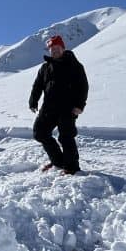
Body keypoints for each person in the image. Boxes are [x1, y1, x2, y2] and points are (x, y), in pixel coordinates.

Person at [29, 35, 88, 175]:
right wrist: (33, 100)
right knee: (40, 133)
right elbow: (37, 85)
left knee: (66, 136)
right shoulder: (45, 67)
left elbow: (83, 86)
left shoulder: (74, 65)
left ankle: (71, 167)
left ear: (63, 48)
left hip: (67, 108)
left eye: (57, 48)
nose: (54, 51)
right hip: (48, 108)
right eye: (52, 48)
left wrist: (80, 105)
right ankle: (58, 161)